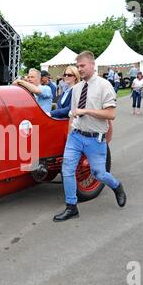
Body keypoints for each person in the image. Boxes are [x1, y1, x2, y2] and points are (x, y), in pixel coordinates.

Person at [53, 51, 126, 222]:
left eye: (82, 66)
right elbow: (73, 113)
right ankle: (71, 207)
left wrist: (86, 111)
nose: (80, 69)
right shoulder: (76, 89)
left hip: (95, 138)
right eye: (77, 66)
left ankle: (116, 186)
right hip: (76, 136)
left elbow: (111, 114)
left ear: (92, 65)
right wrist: (71, 130)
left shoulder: (104, 85)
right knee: (67, 170)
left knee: (98, 173)